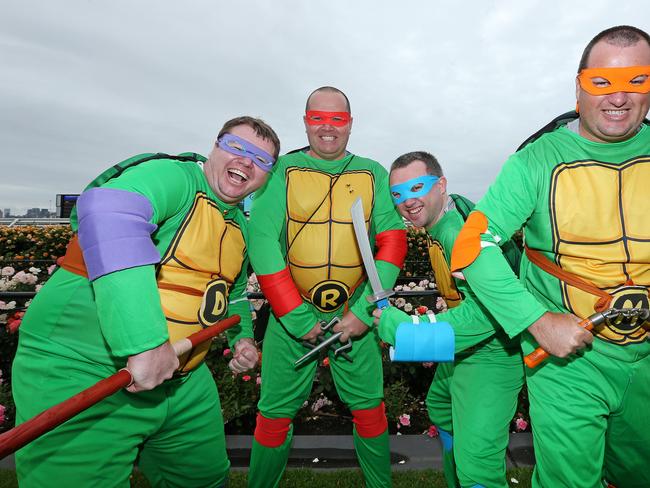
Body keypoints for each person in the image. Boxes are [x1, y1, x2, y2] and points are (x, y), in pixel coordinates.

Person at [12, 116, 280, 487]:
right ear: (215, 147)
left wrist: (242, 339)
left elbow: (230, 292)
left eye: (262, 160)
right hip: (85, 370)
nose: (248, 163)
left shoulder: (240, 225)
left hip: (184, 381)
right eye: (238, 148)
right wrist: (145, 342)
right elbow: (109, 212)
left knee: (205, 480)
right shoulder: (175, 177)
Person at [449, 25, 650, 488]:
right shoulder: (534, 162)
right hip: (571, 361)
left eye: (635, 81)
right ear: (579, 86)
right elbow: (473, 245)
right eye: (603, 82)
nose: (618, 98)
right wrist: (538, 321)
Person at [247, 86, 407, 488]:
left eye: (337, 119)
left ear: (350, 125)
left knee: (370, 409)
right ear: (305, 122)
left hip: (354, 309)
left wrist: (365, 309)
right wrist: (294, 315)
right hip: (292, 314)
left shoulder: (373, 172)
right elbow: (263, 242)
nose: (327, 128)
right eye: (318, 118)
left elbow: (391, 239)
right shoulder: (280, 170)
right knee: (274, 414)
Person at [373, 151, 524, 488]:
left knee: (478, 466)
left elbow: (490, 313)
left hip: (496, 348)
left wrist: (404, 330)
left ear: (440, 184)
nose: (407, 201)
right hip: (473, 343)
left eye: (417, 187)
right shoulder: (446, 215)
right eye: (397, 194)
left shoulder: (456, 234)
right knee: (441, 404)